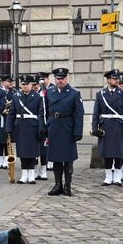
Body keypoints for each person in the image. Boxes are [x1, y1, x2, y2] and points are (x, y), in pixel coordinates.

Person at [45, 68, 84, 196]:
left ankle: (67, 185)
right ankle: (57, 185)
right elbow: (45, 112)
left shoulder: (74, 93)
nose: (60, 81)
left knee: (68, 160)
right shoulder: (49, 93)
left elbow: (79, 114)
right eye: (58, 78)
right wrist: (45, 129)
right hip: (54, 127)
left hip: (67, 127)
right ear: (54, 79)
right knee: (55, 159)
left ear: (66, 79)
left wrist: (78, 131)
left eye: (62, 78)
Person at [91, 69, 123, 186]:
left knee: (119, 154)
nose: (116, 80)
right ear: (108, 80)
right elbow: (96, 113)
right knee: (107, 153)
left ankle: (118, 177)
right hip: (106, 127)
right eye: (114, 78)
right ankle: (108, 177)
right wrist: (95, 128)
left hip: (119, 126)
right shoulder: (101, 94)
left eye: (117, 78)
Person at [8, 75, 45, 184]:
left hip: (33, 127)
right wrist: (8, 128)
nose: (25, 86)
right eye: (23, 84)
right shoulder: (16, 96)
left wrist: (41, 129)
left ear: (31, 85)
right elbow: (11, 114)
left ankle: (31, 174)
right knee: (22, 151)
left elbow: (41, 114)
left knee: (32, 152)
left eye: (27, 84)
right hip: (20, 126)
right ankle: (24, 175)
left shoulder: (38, 97)